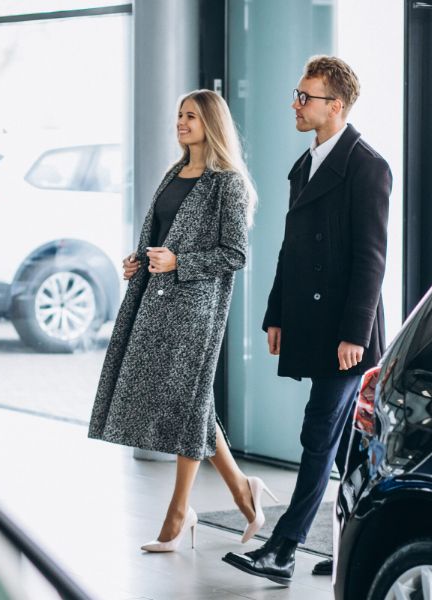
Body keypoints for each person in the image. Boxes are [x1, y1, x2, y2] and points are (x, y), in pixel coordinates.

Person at [223, 55, 391, 585]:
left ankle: (283, 548)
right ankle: (351, 552)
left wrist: (354, 333)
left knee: (319, 433)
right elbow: (291, 249)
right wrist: (277, 312)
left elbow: (372, 259)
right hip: (310, 321)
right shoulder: (306, 164)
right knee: (344, 446)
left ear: (335, 106)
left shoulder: (367, 166)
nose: (294, 104)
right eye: (297, 94)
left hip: (345, 331)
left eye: (305, 97)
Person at [89, 89, 275, 552]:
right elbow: (159, 235)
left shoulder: (226, 182)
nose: (181, 122)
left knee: (188, 400)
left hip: (195, 310)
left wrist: (180, 264)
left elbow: (235, 254)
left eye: (190, 116)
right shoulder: (175, 172)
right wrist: (139, 259)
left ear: (211, 123)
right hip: (154, 302)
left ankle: (178, 512)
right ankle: (243, 493)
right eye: (178, 115)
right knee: (191, 400)